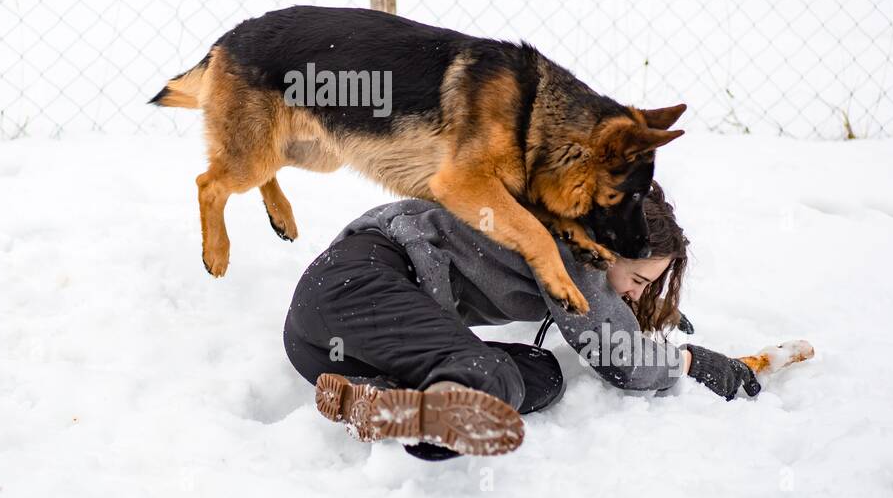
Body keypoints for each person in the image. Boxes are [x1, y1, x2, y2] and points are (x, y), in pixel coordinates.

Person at [283, 183, 762, 460]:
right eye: (638, 278)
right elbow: (621, 359)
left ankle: (387, 401)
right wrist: (689, 363)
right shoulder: (575, 247)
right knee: (483, 377)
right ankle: (431, 416)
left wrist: (647, 310)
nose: (637, 293)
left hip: (317, 345)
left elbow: (608, 315)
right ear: (609, 245)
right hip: (359, 284)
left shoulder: (566, 246)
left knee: (541, 372)